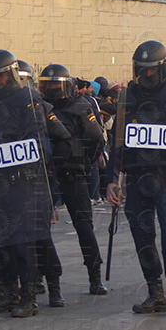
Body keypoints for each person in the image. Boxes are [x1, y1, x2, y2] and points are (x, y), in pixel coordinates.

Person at [0, 51, 71, 318]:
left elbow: (37, 139)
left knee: (25, 239)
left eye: (2, 76)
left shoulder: (27, 98)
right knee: (0, 238)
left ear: (12, 74)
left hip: (24, 181)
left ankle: (28, 294)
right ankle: (4, 288)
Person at [106, 41, 166, 317]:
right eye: (141, 69)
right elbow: (117, 140)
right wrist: (112, 178)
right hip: (136, 175)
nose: (146, 75)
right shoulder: (127, 95)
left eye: (151, 70)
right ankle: (155, 292)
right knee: (142, 236)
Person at [38, 64, 107, 295]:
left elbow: (97, 138)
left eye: (56, 85)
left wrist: (85, 162)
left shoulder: (81, 107)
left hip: (70, 173)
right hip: (48, 175)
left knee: (84, 227)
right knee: (38, 228)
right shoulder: (40, 107)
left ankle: (94, 275)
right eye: (48, 86)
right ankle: (38, 277)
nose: (53, 90)